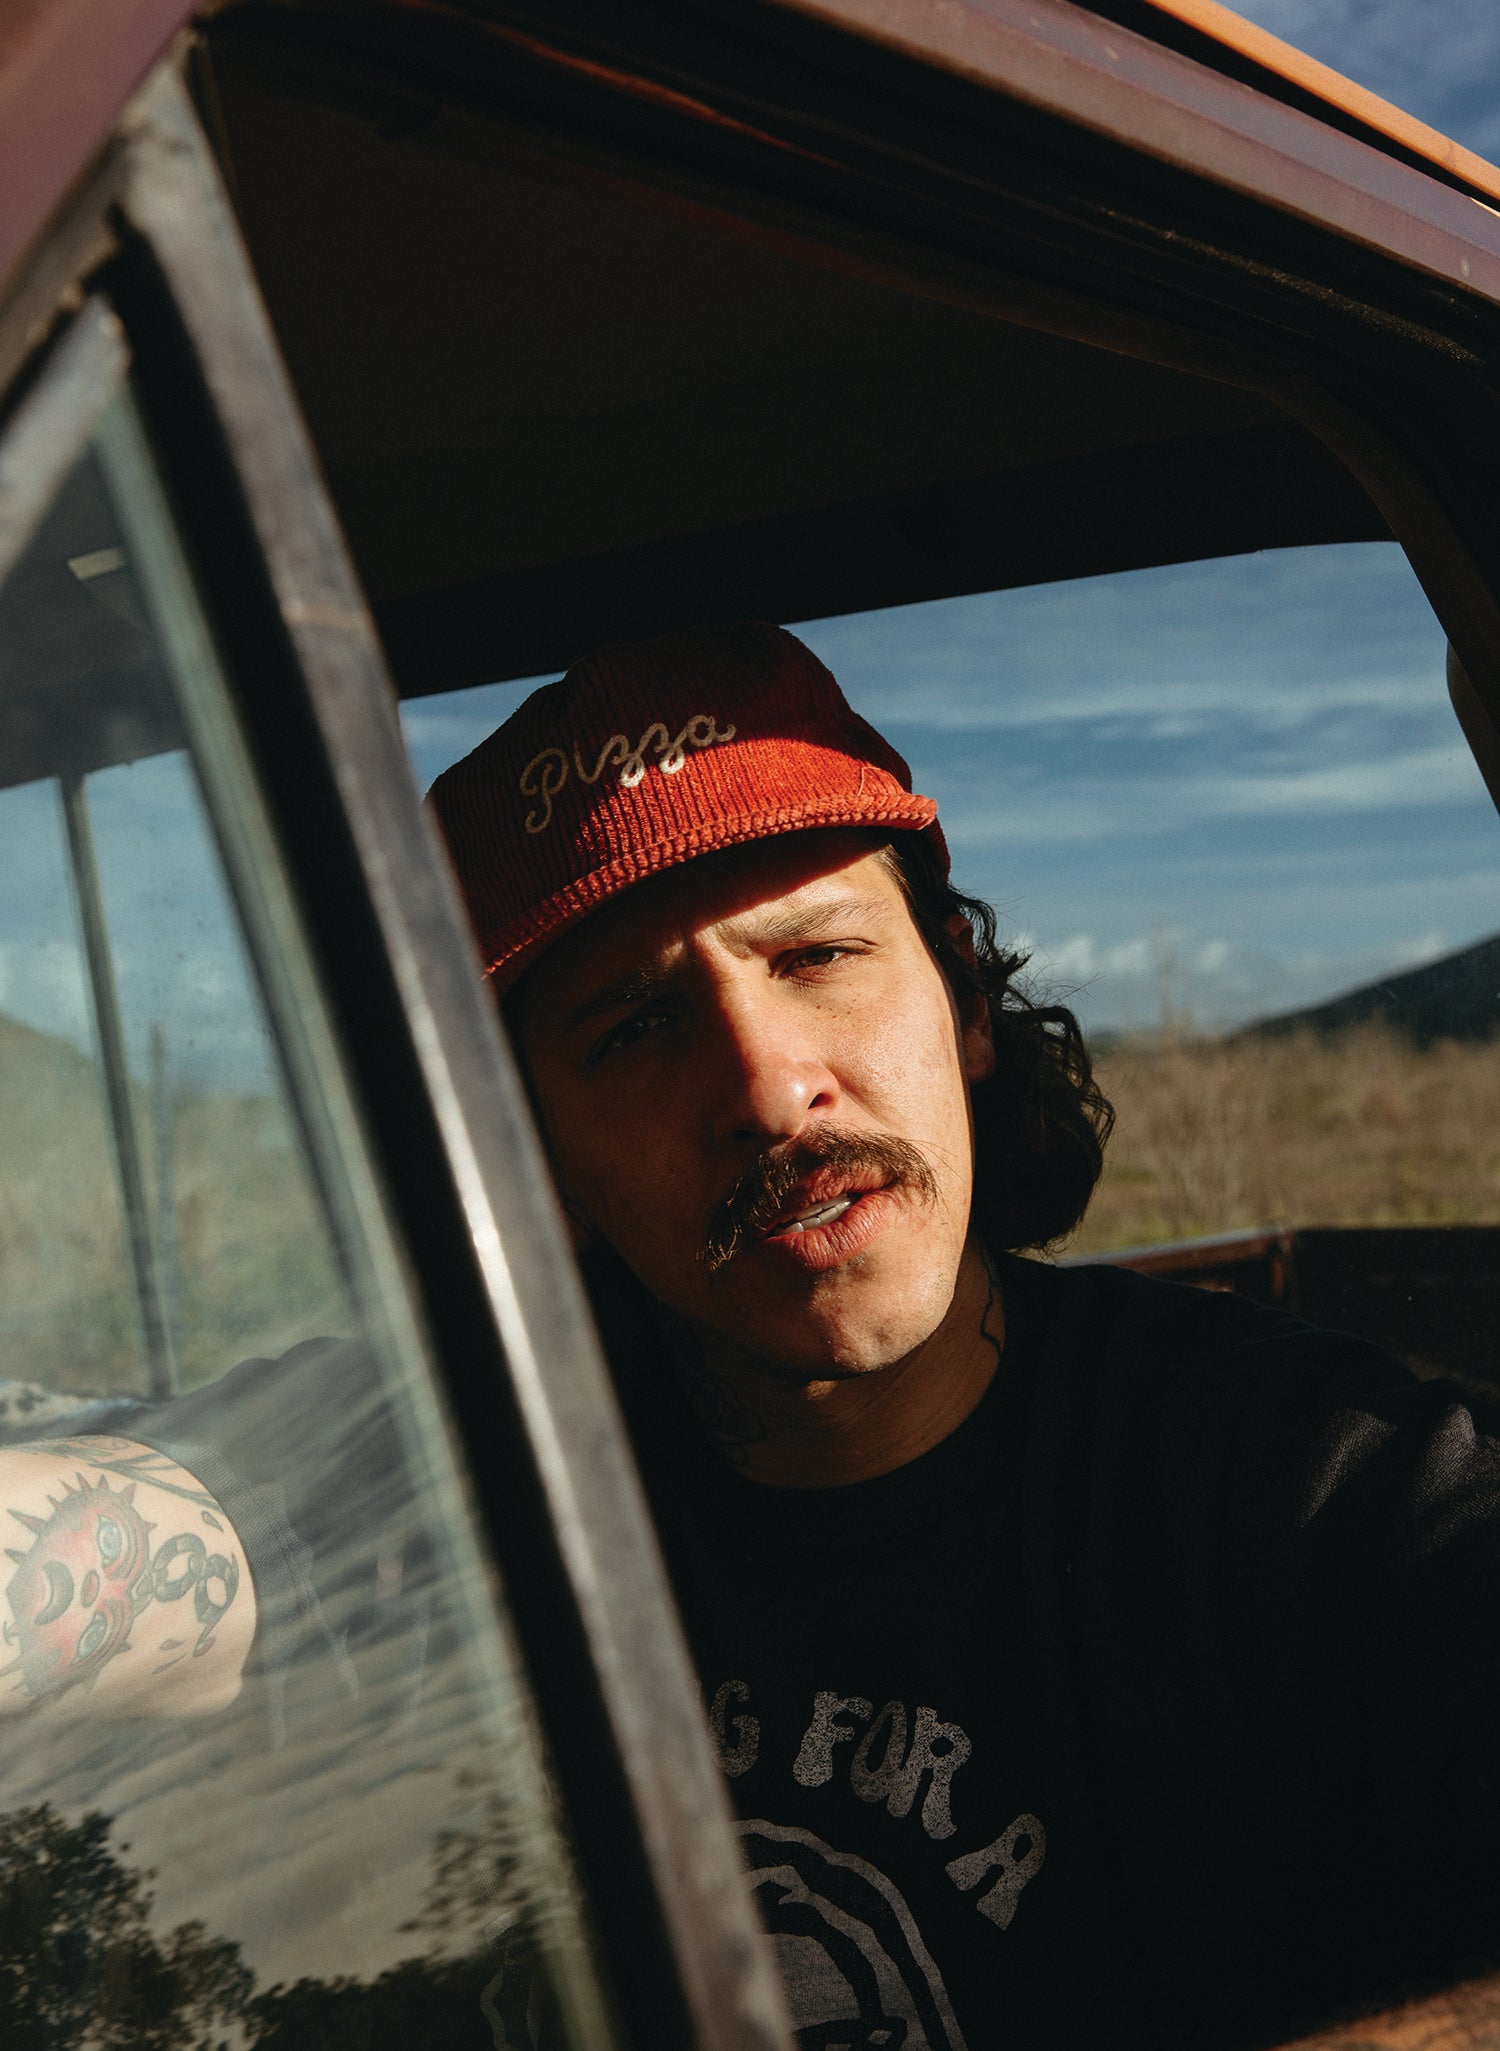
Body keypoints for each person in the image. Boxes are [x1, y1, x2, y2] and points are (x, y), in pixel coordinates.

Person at [5, 621, 1497, 2048]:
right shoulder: (460, 1478)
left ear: (964, 1008)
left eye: (816, 957)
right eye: (635, 1026)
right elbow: (145, 1538)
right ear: (536, 1157)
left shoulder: (1307, 1485)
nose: (771, 1089)